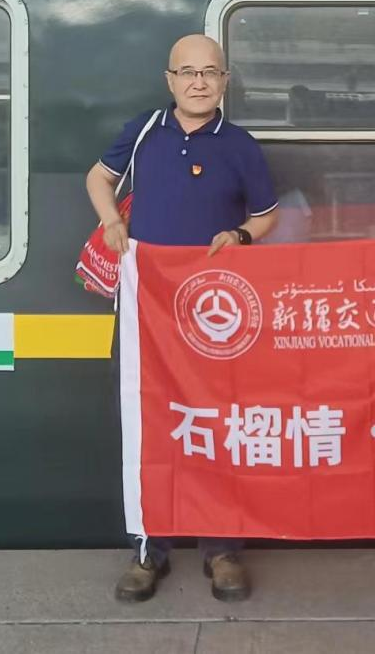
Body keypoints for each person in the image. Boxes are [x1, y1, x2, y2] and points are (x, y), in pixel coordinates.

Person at [85, 34, 279, 604]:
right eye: (187, 72)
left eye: (210, 72)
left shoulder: (240, 146)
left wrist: (240, 235)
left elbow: (266, 216)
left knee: (219, 423)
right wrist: (112, 222)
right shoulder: (144, 131)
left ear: (225, 81)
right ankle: (150, 548)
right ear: (169, 80)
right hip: (146, 310)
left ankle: (222, 550)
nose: (199, 82)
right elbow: (98, 178)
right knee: (149, 423)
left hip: (214, 314)